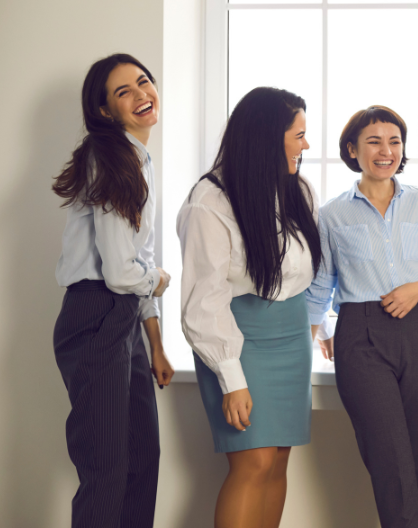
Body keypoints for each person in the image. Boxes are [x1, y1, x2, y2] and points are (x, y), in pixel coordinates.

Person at [177, 87, 322, 528]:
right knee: (253, 462)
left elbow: (303, 274)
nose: (306, 144)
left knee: (277, 460)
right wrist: (231, 377)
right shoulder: (210, 200)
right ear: (267, 138)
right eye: (299, 135)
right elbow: (203, 300)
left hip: (291, 334)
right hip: (238, 339)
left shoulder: (299, 190)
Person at [305, 105, 418, 528]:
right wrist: (313, 338)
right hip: (361, 336)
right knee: (389, 457)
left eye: (394, 141)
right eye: (374, 141)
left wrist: (417, 290)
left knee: (415, 461)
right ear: (353, 149)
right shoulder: (332, 214)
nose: (386, 151)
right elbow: (321, 286)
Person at [52, 53, 173, 528]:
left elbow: (138, 257)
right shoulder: (109, 157)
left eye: (144, 82)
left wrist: (155, 343)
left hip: (123, 320)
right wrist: (157, 280)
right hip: (95, 312)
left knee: (143, 459)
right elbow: (124, 273)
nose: (142, 94)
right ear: (105, 111)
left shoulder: (138, 159)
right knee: (106, 469)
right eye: (124, 91)